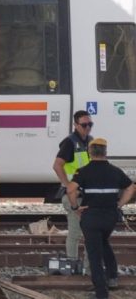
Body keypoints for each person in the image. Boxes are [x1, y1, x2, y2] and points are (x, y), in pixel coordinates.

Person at [67, 138, 136, 299]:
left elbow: (71, 190)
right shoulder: (115, 171)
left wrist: (75, 207)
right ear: (105, 152)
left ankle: (101, 293)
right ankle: (112, 276)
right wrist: (119, 204)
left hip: (91, 217)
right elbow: (131, 187)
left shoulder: (83, 171)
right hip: (110, 217)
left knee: (94, 255)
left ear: (90, 152)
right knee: (103, 242)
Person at [52, 109, 93, 268]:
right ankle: (72, 265)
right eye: (84, 125)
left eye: (90, 124)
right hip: (74, 195)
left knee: (88, 234)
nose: (88, 128)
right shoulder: (70, 142)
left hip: (86, 194)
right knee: (75, 233)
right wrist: (67, 185)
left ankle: (86, 268)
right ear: (75, 125)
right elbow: (57, 165)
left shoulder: (89, 141)